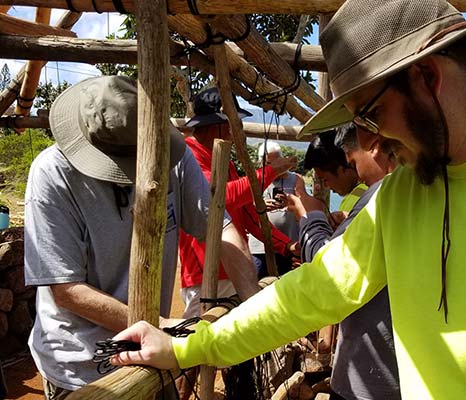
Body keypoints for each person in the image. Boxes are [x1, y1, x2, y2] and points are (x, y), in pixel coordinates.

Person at [112, 1, 466, 398]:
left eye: (371, 113)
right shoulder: (399, 197)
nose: (372, 141)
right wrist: (187, 348)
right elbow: (310, 294)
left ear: (428, 78)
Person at [23, 76, 255, 397]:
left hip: (152, 356)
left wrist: (255, 301)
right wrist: (160, 325)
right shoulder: (53, 174)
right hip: (84, 364)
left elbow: (220, 228)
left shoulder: (173, 158)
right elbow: (66, 289)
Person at [287, 123, 402, 400]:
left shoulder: (381, 196)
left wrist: (310, 218)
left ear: (373, 146)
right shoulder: (403, 194)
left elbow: (330, 274)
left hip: (369, 378)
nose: (358, 170)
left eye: (352, 160)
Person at [179, 88, 299, 317]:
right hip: (204, 274)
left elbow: (251, 217)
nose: (237, 131)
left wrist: (288, 245)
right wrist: (269, 173)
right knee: (200, 343)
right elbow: (216, 197)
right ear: (221, 124)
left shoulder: (227, 164)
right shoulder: (189, 156)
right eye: (235, 123)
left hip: (236, 272)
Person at [249, 140, 302, 277]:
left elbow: (304, 207)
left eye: (276, 162)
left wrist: (289, 203)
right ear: (261, 163)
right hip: (259, 247)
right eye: (269, 164)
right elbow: (244, 208)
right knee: (254, 284)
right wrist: (260, 206)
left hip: (289, 245)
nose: (274, 167)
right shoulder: (254, 179)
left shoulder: (296, 179)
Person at [304, 131, 367, 212]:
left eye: (325, 180)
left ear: (342, 170)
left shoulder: (354, 201)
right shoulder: (375, 188)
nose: (326, 186)